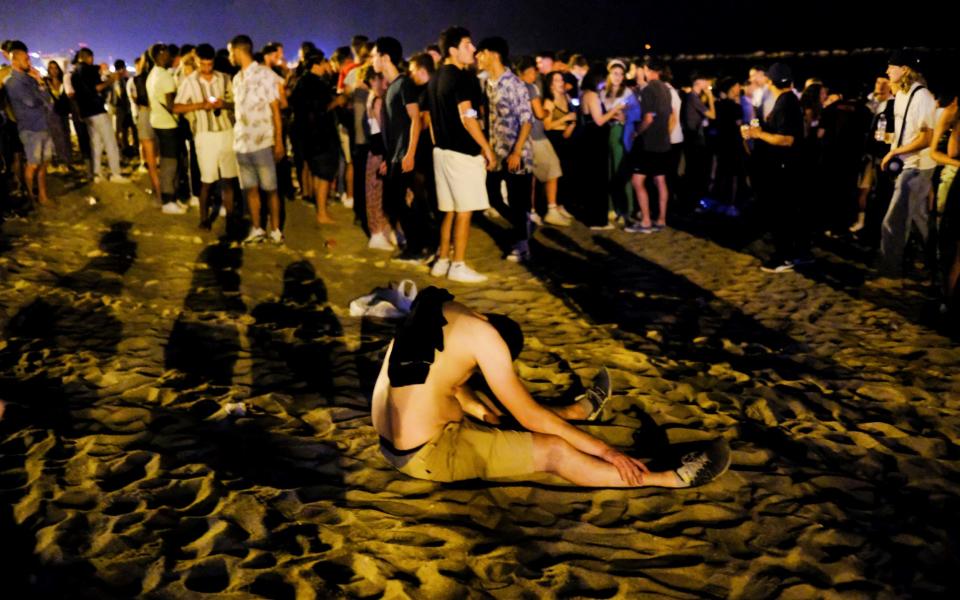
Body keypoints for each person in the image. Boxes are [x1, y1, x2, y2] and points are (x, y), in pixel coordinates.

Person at [373, 287, 730, 487]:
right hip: (423, 455)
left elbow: (436, 379)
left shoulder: (437, 305)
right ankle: (669, 478)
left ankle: (578, 411)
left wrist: (483, 409)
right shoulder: (487, 340)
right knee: (554, 450)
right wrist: (608, 452)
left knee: (485, 404)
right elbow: (532, 419)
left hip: (388, 439)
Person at [425, 26, 496, 283]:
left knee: (450, 210)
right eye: (468, 44)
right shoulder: (462, 78)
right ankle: (458, 264)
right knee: (464, 210)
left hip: (441, 152)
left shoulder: (435, 78)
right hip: (462, 153)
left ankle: (442, 260)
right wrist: (486, 147)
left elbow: (431, 119)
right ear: (453, 50)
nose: (474, 49)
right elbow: (468, 116)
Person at [741, 63, 810, 273]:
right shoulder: (789, 100)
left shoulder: (786, 102)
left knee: (782, 213)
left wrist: (757, 134)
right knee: (790, 212)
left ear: (771, 81)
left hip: (784, 167)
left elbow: (787, 139)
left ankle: (783, 257)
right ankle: (797, 253)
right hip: (788, 166)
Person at [373, 36, 432, 263]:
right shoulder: (391, 88)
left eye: (374, 56)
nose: (372, 61)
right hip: (396, 156)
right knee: (395, 203)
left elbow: (415, 119)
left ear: (385, 57)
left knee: (400, 202)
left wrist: (409, 154)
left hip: (406, 156)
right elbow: (395, 128)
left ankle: (419, 247)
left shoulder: (404, 84)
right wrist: (389, 157)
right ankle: (418, 245)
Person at [878, 50, 937, 278]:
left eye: (891, 67)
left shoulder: (921, 96)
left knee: (893, 221)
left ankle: (888, 268)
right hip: (908, 163)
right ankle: (937, 262)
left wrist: (896, 151)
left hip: (918, 166)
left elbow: (926, 137)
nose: (887, 71)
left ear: (904, 69)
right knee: (919, 219)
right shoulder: (901, 95)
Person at [476, 37, 535, 262]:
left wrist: (517, 151)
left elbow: (527, 120)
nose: (478, 58)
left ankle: (522, 245)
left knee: (517, 199)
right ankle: (523, 224)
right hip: (496, 153)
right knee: (492, 195)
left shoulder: (514, 84)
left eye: (481, 53)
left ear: (493, 54)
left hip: (516, 154)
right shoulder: (487, 83)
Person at [173, 43, 238, 230]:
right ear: (197, 61)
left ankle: (231, 218)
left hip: (226, 132)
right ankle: (203, 218)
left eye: (210, 65)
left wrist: (223, 105)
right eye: (203, 65)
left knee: (228, 180)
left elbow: (235, 104)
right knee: (207, 181)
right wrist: (200, 105)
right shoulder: (189, 82)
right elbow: (177, 107)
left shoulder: (224, 79)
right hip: (204, 135)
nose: (207, 69)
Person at [229, 34, 285, 243]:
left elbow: (275, 109)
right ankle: (257, 228)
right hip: (242, 143)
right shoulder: (237, 78)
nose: (229, 56)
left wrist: (278, 140)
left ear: (237, 51)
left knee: (270, 189)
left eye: (230, 52)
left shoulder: (265, 74)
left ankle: (276, 230)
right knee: (250, 188)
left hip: (262, 141)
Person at [290, 50, 343, 226]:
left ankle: (320, 209)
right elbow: (320, 108)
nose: (326, 67)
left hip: (307, 135)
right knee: (325, 174)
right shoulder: (316, 84)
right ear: (316, 65)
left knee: (316, 172)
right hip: (321, 135)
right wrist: (338, 101)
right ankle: (322, 212)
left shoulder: (300, 83)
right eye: (324, 64)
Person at [517, 56, 569, 226]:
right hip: (536, 135)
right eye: (533, 71)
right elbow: (539, 114)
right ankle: (551, 208)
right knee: (553, 169)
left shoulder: (514, 87)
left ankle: (531, 211)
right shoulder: (530, 88)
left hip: (523, 137)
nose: (535, 75)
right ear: (528, 71)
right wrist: (548, 113)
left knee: (530, 177)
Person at [3, 41, 53, 206]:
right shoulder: (12, 82)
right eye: (25, 59)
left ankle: (43, 196)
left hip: (43, 125)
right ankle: (31, 197)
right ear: (15, 61)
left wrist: (39, 81)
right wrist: (40, 93)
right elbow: (30, 101)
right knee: (32, 164)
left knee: (44, 164)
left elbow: (48, 100)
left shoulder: (30, 79)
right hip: (30, 128)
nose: (29, 62)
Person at [626, 57, 672, 233]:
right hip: (664, 142)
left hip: (649, 142)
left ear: (647, 69)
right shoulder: (666, 89)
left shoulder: (648, 89)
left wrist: (637, 131)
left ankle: (645, 221)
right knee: (660, 180)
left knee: (637, 181)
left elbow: (648, 118)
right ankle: (661, 219)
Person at [72, 47, 129, 183]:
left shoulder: (74, 73)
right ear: (88, 57)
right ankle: (115, 173)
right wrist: (111, 80)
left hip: (86, 113)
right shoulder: (89, 70)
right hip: (97, 110)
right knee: (110, 142)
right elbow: (97, 88)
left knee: (96, 143)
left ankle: (97, 174)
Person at [852, 75, 895, 234]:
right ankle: (860, 221)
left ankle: (870, 224)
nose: (881, 86)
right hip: (865, 152)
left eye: (885, 83)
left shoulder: (891, 105)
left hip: (879, 154)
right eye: (878, 82)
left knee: (874, 190)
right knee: (861, 188)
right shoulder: (867, 101)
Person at [146, 43, 185, 214]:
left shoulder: (153, 74)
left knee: (167, 160)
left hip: (157, 121)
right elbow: (172, 106)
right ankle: (168, 201)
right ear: (161, 54)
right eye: (168, 54)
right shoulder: (165, 77)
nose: (171, 57)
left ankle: (172, 198)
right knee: (170, 163)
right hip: (168, 124)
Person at [542, 70, 577, 221]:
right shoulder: (549, 102)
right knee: (555, 173)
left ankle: (562, 205)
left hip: (565, 137)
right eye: (557, 80)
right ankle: (552, 206)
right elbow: (547, 126)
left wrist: (571, 125)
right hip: (553, 138)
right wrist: (566, 119)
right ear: (550, 84)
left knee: (566, 173)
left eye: (561, 80)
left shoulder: (566, 96)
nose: (561, 83)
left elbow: (572, 116)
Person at [682, 72, 717, 207]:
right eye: (705, 81)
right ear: (698, 82)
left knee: (694, 171)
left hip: (693, 138)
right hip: (694, 139)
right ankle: (693, 202)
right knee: (695, 171)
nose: (707, 84)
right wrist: (710, 97)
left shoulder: (693, 97)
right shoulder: (693, 98)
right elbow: (712, 115)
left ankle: (693, 201)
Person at [129, 51, 161, 197]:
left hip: (145, 113)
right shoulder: (159, 76)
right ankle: (163, 188)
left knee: (150, 156)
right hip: (159, 114)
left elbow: (136, 98)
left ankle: (157, 189)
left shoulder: (137, 79)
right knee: (160, 154)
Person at [43, 60, 72, 167]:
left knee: (66, 135)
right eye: (51, 68)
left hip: (63, 112)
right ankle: (61, 160)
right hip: (52, 113)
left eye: (55, 68)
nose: (54, 70)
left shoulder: (63, 81)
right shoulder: (46, 82)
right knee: (57, 137)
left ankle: (68, 160)